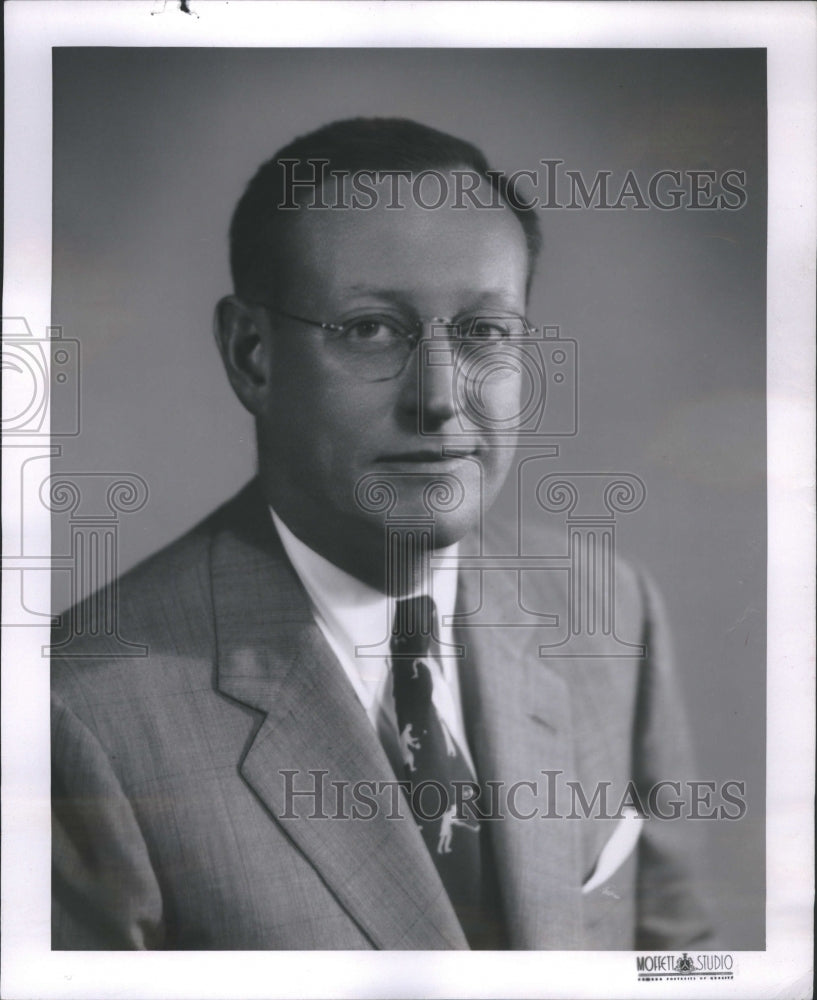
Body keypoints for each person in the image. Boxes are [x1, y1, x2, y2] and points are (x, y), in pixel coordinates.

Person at [51, 117, 714, 950]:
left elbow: (678, 957)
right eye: (370, 329)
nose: (439, 398)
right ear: (251, 354)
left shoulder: (608, 608)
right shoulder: (79, 717)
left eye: (483, 333)